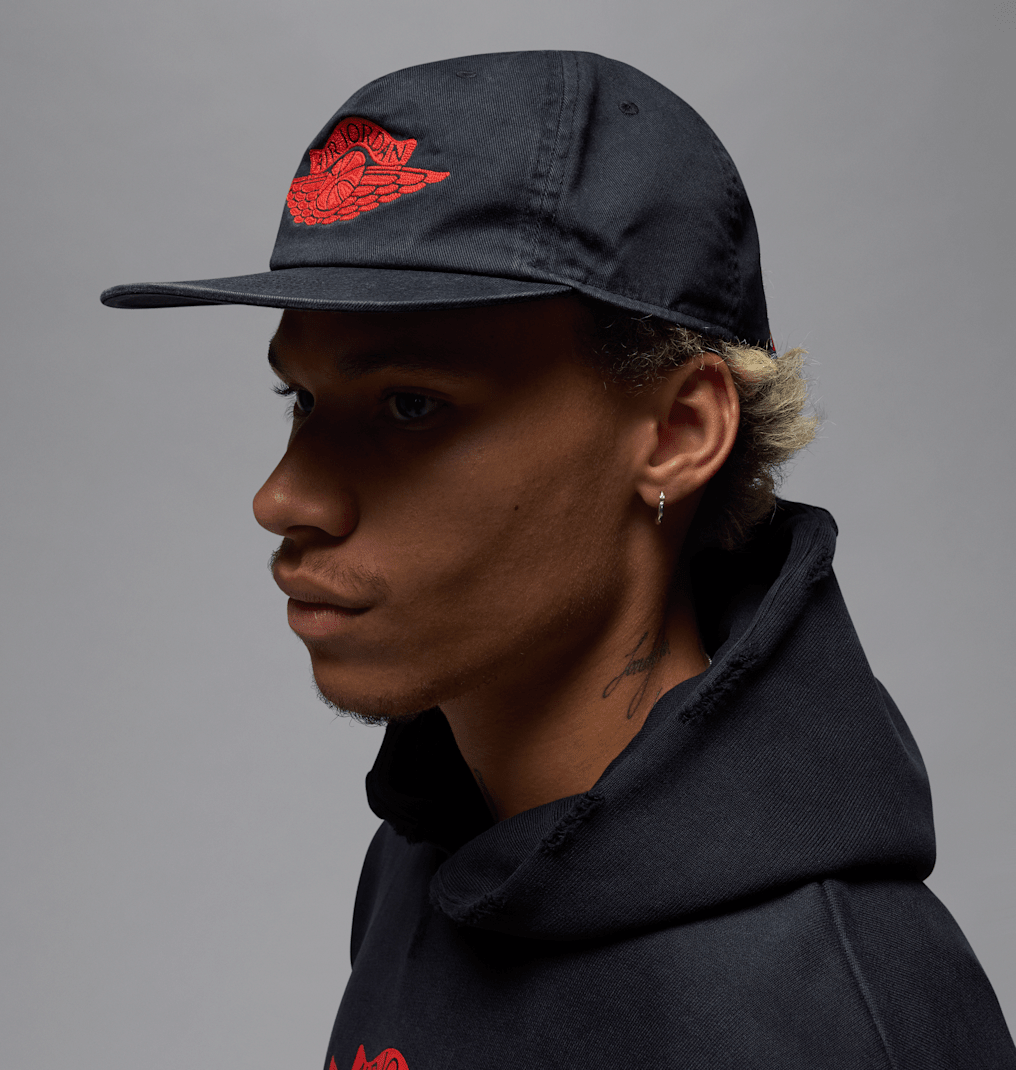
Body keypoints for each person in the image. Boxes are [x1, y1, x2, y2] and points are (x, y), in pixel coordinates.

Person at [102, 50, 1015, 1070]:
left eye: (410, 404)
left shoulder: (821, 1017)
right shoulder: (428, 857)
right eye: (302, 399)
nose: (282, 498)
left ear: (678, 432)